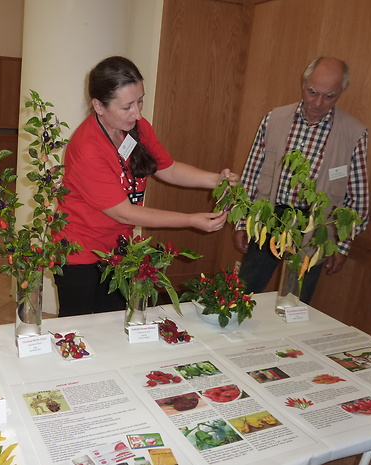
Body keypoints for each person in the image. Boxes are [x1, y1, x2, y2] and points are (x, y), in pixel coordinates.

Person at [53, 56, 238, 317]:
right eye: (127, 106)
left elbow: (168, 168)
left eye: (140, 100)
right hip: (79, 251)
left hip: (118, 248)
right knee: (79, 327)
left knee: (116, 321)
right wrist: (191, 220)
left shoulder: (137, 128)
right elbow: (124, 212)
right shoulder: (87, 148)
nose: (137, 113)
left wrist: (215, 180)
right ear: (99, 106)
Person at [233, 57, 369, 304]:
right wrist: (243, 223)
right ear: (304, 83)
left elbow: (357, 199)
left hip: (315, 228)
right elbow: (252, 173)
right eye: (312, 92)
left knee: (294, 304)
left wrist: (343, 245)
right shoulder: (274, 119)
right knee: (242, 293)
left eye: (329, 96)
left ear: (341, 92)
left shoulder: (354, 133)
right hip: (269, 217)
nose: (317, 103)